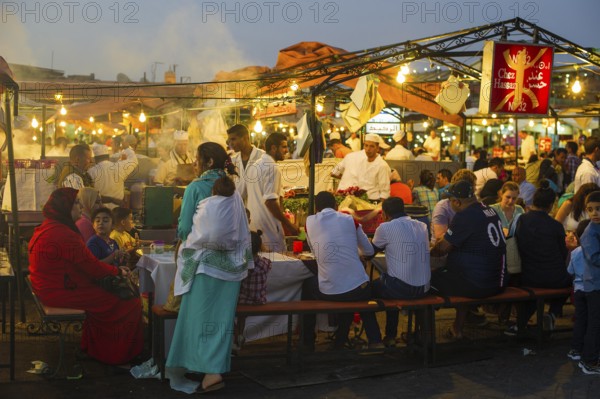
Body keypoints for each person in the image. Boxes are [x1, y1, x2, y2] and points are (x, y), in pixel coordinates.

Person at [28, 188, 143, 365]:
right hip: (58, 291)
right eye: (76, 203)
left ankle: (93, 348)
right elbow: (92, 266)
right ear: (65, 207)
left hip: (50, 286)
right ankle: (116, 355)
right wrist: (118, 271)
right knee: (127, 301)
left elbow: (86, 265)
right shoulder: (63, 233)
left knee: (107, 293)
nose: (81, 207)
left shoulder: (51, 226)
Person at [167, 175, 251, 394]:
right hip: (230, 272)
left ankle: (202, 368)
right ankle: (212, 372)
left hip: (204, 269)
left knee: (196, 320)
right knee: (220, 322)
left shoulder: (200, 195)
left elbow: (187, 231)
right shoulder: (237, 204)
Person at [302, 191, 383, 350]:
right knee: (360, 290)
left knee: (307, 285)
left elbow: (315, 251)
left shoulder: (309, 222)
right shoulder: (349, 220)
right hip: (357, 290)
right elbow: (368, 251)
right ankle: (372, 340)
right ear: (336, 206)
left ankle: (308, 341)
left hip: (327, 291)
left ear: (316, 208)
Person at [431, 180, 506, 339]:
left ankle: (423, 335)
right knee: (458, 273)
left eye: (450, 200)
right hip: (498, 281)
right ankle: (457, 328)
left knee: (427, 281)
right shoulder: (490, 210)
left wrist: (428, 250)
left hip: (478, 285)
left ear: (456, 202)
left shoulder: (464, 215)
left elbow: (442, 249)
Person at [507, 180, 571, 337]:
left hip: (528, 276)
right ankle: (553, 313)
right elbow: (563, 254)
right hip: (556, 278)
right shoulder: (556, 226)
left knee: (533, 293)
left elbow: (512, 243)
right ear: (551, 205)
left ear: (533, 201)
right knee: (570, 281)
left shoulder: (520, 220)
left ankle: (519, 324)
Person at [370, 197, 430, 347]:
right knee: (390, 281)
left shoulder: (384, 228)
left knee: (365, 291)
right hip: (424, 288)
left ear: (384, 214)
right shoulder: (422, 226)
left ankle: (379, 339)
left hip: (402, 289)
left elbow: (370, 253)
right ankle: (421, 334)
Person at [247, 132, 298, 252]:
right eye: (284, 147)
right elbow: (270, 202)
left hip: (254, 225)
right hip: (268, 226)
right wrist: (289, 225)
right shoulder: (272, 168)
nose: (286, 150)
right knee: (275, 264)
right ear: (274, 148)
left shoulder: (255, 166)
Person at [177, 142, 238, 242]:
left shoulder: (195, 187)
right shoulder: (232, 186)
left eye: (197, 159)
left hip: (200, 253)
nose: (194, 163)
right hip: (230, 252)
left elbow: (185, 229)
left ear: (210, 162)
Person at [235, 229, 272, 352]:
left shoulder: (241, 264)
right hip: (260, 300)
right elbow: (268, 265)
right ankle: (239, 336)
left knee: (231, 311)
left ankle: (237, 335)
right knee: (242, 315)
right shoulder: (265, 263)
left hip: (243, 300)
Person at [577, 192, 600, 374]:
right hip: (594, 285)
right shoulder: (589, 232)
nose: (595, 213)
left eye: (598, 209)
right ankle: (589, 360)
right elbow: (595, 258)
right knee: (595, 323)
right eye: (590, 210)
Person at [331, 133, 391, 202]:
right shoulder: (361, 161)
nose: (368, 149)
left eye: (372, 146)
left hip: (373, 200)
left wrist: (381, 210)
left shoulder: (382, 165)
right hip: (358, 200)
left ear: (377, 148)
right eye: (366, 146)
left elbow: (385, 192)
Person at [566, 219, 592, 365]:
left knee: (580, 320)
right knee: (592, 320)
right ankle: (589, 348)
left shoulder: (575, 252)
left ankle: (575, 349)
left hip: (578, 290)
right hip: (591, 289)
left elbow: (570, 271)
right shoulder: (594, 252)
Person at [430, 169, 476, 242]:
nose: (475, 189)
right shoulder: (443, 206)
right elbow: (439, 239)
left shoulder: (472, 205)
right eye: (474, 186)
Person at [87, 143, 138, 209]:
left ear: (95, 158)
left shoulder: (91, 172)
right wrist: (127, 149)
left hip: (99, 211)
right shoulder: (119, 167)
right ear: (108, 156)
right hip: (117, 209)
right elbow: (134, 160)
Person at [227, 124, 265, 202]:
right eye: (229, 140)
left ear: (245, 138)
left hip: (259, 207)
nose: (231, 143)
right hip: (239, 208)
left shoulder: (262, 156)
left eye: (233, 139)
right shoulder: (232, 160)